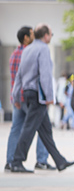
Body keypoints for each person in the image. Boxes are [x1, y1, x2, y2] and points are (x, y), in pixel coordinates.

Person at [9, 23, 74, 173]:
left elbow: (19, 75)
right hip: (38, 95)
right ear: (45, 36)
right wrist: (50, 97)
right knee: (29, 128)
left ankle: (60, 161)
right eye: (51, 35)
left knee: (45, 130)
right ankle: (17, 161)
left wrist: (16, 96)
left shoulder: (27, 49)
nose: (51, 37)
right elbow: (45, 74)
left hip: (27, 93)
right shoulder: (43, 49)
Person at [5, 26, 53, 171]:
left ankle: (11, 161)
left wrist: (15, 97)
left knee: (16, 129)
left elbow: (16, 78)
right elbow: (41, 75)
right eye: (32, 34)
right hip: (29, 96)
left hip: (18, 97)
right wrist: (48, 96)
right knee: (40, 126)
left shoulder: (14, 54)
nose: (34, 37)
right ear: (26, 37)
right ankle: (41, 160)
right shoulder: (31, 52)